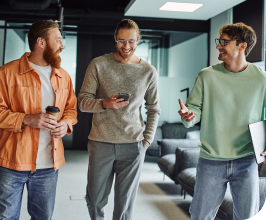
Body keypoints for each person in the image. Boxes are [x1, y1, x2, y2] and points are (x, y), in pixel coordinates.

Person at [0, 19, 77, 220]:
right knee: (4, 217)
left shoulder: (64, 76)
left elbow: (71, 110)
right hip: (12, 162)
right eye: (58, 40)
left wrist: (65, 124)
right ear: (41, 42)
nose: (62, 45)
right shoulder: (8, 73)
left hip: (48, 166)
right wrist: (26, 119)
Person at [178, 22, 266, 220]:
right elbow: (194, 109)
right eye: (219, 41)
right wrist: (189, 116)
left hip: (246, 160)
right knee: (200, 216)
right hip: (211, 160)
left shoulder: (262, 79)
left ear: (242, 46)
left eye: (224, 42)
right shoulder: (207, 76)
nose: (218, 46)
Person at [78, 19, 160, 220]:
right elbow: (82, 102)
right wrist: (105, 103)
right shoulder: (98, 64)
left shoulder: (148, 71)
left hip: (133, 145)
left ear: (138, 40)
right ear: (115, 39)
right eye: (122, 41)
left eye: (131, 41)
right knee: (95, 199)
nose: (126, 46)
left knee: (124, 204)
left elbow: (154, 109)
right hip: (101, 142)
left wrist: (147, 140)